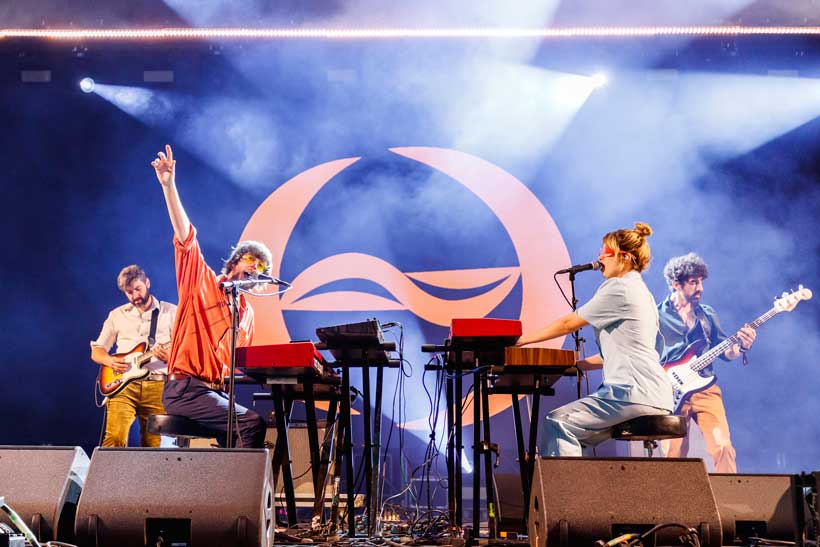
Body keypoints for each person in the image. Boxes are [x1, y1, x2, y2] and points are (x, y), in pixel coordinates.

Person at [516, 222, 673, 456]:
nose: (600, 257)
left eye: (605, 252)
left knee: (558, 423)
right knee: (576, 433)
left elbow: (569, 323)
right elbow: (625, 351)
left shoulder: (618, 288)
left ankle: (565, 481)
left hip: (632, 393)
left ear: (624, 257)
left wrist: (520, 340)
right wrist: (578, 365)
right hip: (657, 394)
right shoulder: (644, 294)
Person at [150, 144, 268, 448]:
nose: (254, 268)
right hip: (186, 391)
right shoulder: (200, 281)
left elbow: (240, 360)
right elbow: (186, 238)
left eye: (260, 268)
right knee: (251, 424)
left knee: (237, 434)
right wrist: (168, 185)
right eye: (250, 261)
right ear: (234, 263)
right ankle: (241, 483)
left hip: (215, 392)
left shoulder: (247, 314)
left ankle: (224, 479)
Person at [656, 253, 755, 472]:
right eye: (693, 282)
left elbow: (726, 352)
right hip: (670, 391)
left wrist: (742, 347)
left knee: (723, 447)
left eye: (701, 281)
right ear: (676, 284)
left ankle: (729, 492)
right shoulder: (656, 316)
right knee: (673, 456)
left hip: (705, 389)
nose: (700, 288)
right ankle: (674, 495)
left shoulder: (707, 315)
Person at [91, 265, 177, 447]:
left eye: (138, 289)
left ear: (147, 283)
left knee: (155, 445)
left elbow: (188, 349)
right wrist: (110, 361)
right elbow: (97, 351)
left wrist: (171, 356)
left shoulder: (171, 312)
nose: (135, 296)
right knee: (114, 439)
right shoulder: (117, 315)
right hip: (123, 386)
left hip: (158, 385)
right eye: (129, 292)